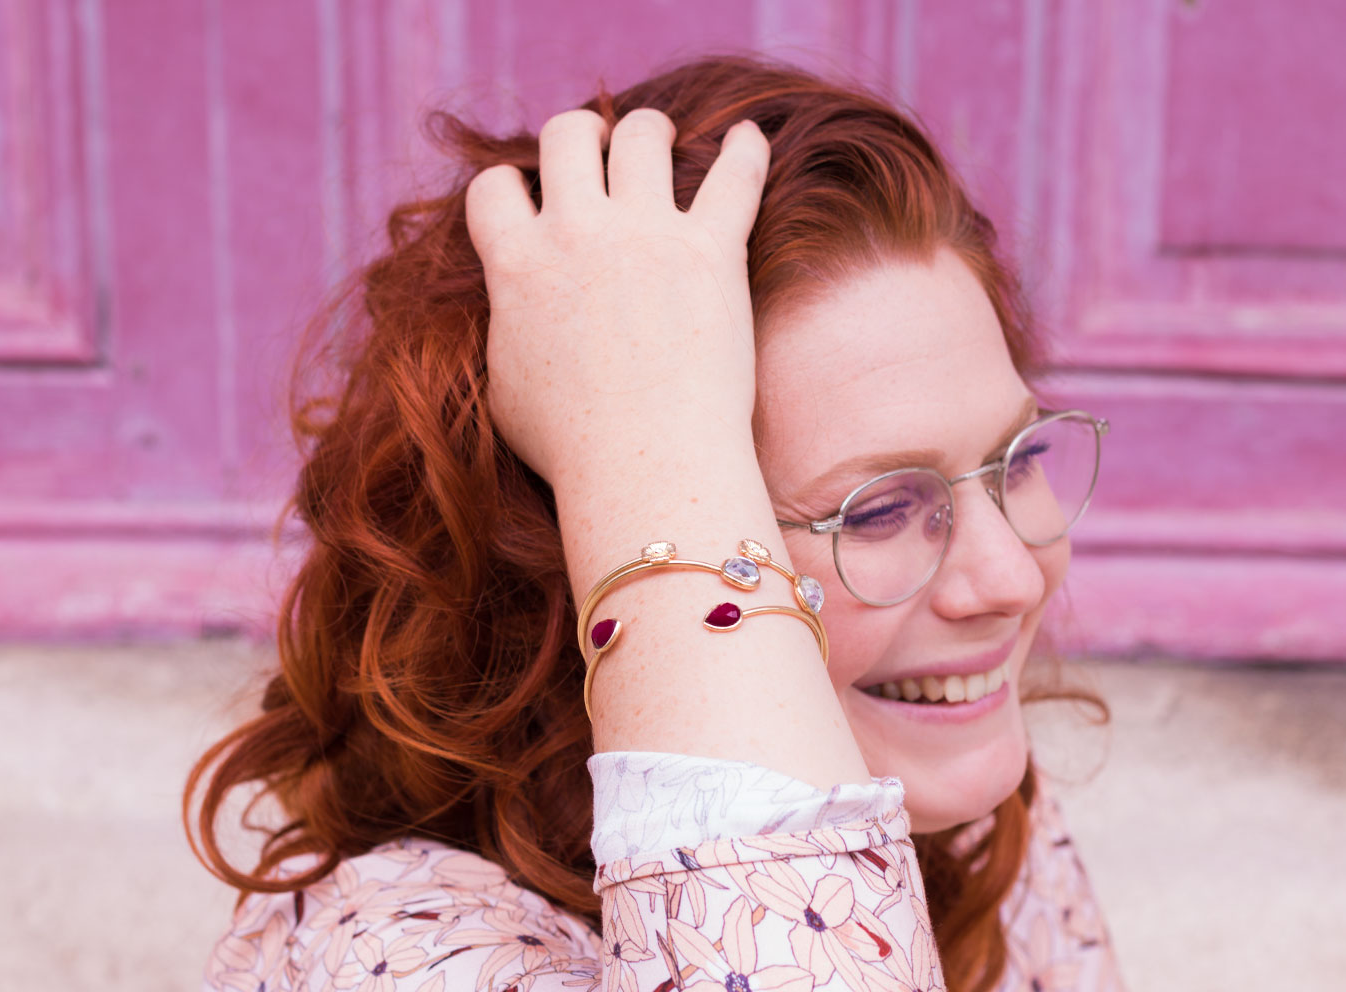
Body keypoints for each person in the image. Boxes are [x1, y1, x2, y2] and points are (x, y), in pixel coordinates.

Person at [186, 55, 1125, 992]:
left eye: (1023, 459)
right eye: (878, 511)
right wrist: (646, 434)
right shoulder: (399, 951)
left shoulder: (959, 804)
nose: (1011, 577)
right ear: (578, 554)